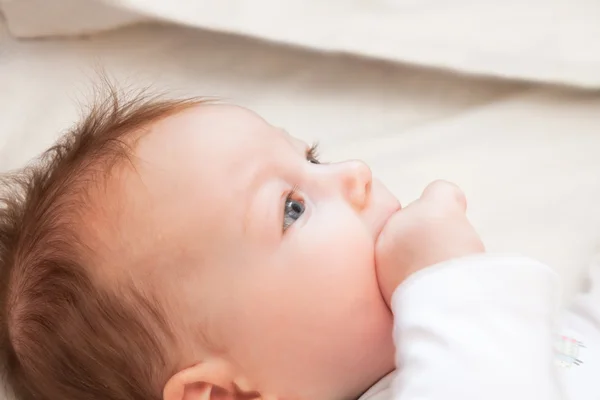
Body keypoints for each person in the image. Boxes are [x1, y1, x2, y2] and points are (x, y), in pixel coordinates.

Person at [0, 90, 586, 400]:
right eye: (291, 208)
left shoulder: (448, 337)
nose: (355, 172)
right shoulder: (462, 330)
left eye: (313, 158)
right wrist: (451, 282)